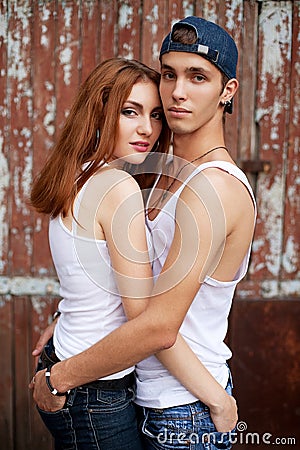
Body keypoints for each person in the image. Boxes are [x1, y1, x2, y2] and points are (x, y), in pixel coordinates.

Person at [31, 16, 256, 449]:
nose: (178, 91)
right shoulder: (155, 176)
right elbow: (117, 274)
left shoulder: (214, 187)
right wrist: (67, 322)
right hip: (139, 394)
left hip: (183, 411)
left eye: (198, 77)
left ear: (227, 91)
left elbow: (156, 326)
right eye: (169, 74)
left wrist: (58, 377)